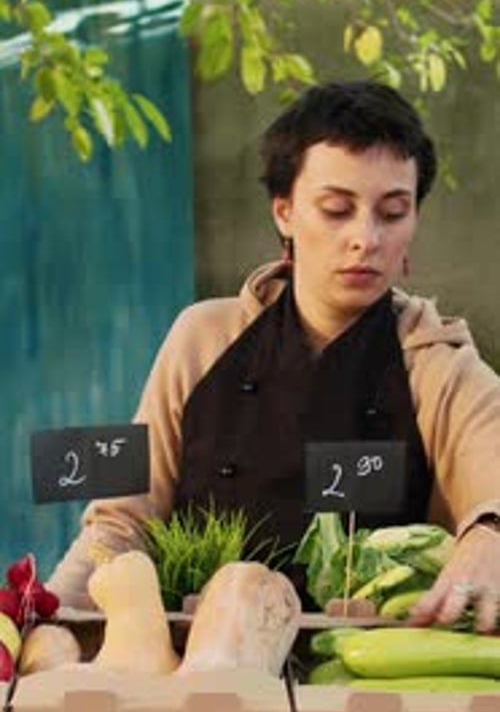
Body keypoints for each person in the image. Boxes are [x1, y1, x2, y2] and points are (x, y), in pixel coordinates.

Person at [48, 79, 500, 631]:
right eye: (336, 209)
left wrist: (488, 533)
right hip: (192, 666)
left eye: (392, 212)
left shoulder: (437, 361)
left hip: (364, 683)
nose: (366, 237)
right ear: (284, 212)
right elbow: (118, 522)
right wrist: (43, 619)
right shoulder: (200, 337)